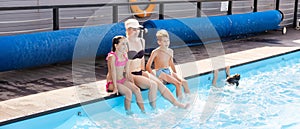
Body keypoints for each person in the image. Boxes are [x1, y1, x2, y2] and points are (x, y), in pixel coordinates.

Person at [124, 19, 188, 109]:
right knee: (153, 85)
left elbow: (142, 60)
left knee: (160, 84)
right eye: (134, 29)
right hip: (131, 74)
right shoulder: (124, 44)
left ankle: (177, 103)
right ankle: (154, 109)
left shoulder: (141, 41)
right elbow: (121, 64)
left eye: (137, 29)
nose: (136, 32)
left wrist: (147, 73)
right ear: (128, 30)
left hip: (141, 72)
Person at [146, 30, 190, 99]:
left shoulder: (170, 51)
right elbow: (148, 66)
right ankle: (180, 103)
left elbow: (171, 63)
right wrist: (154, 77)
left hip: (168, 71)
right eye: (164, 41)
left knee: (184, 82)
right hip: (159, 71)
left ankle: (189, 99)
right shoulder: (155, 52)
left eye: (168, 41)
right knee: (178, 84)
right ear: (159, 42)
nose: (167, 43)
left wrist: (175, 74)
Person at [106, 35, 145, 115]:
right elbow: (112, 72)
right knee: (128, 92)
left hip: (122, 80)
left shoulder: (125, 56)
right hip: (113, 82)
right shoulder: (112, 57)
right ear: (116, 45)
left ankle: (143, 111)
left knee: (137, 90)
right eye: (123, 44)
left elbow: (127, 72)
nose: (125, 46)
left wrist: (132, 83)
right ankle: (129, 113)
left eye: (126, 44)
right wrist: (115, 87)